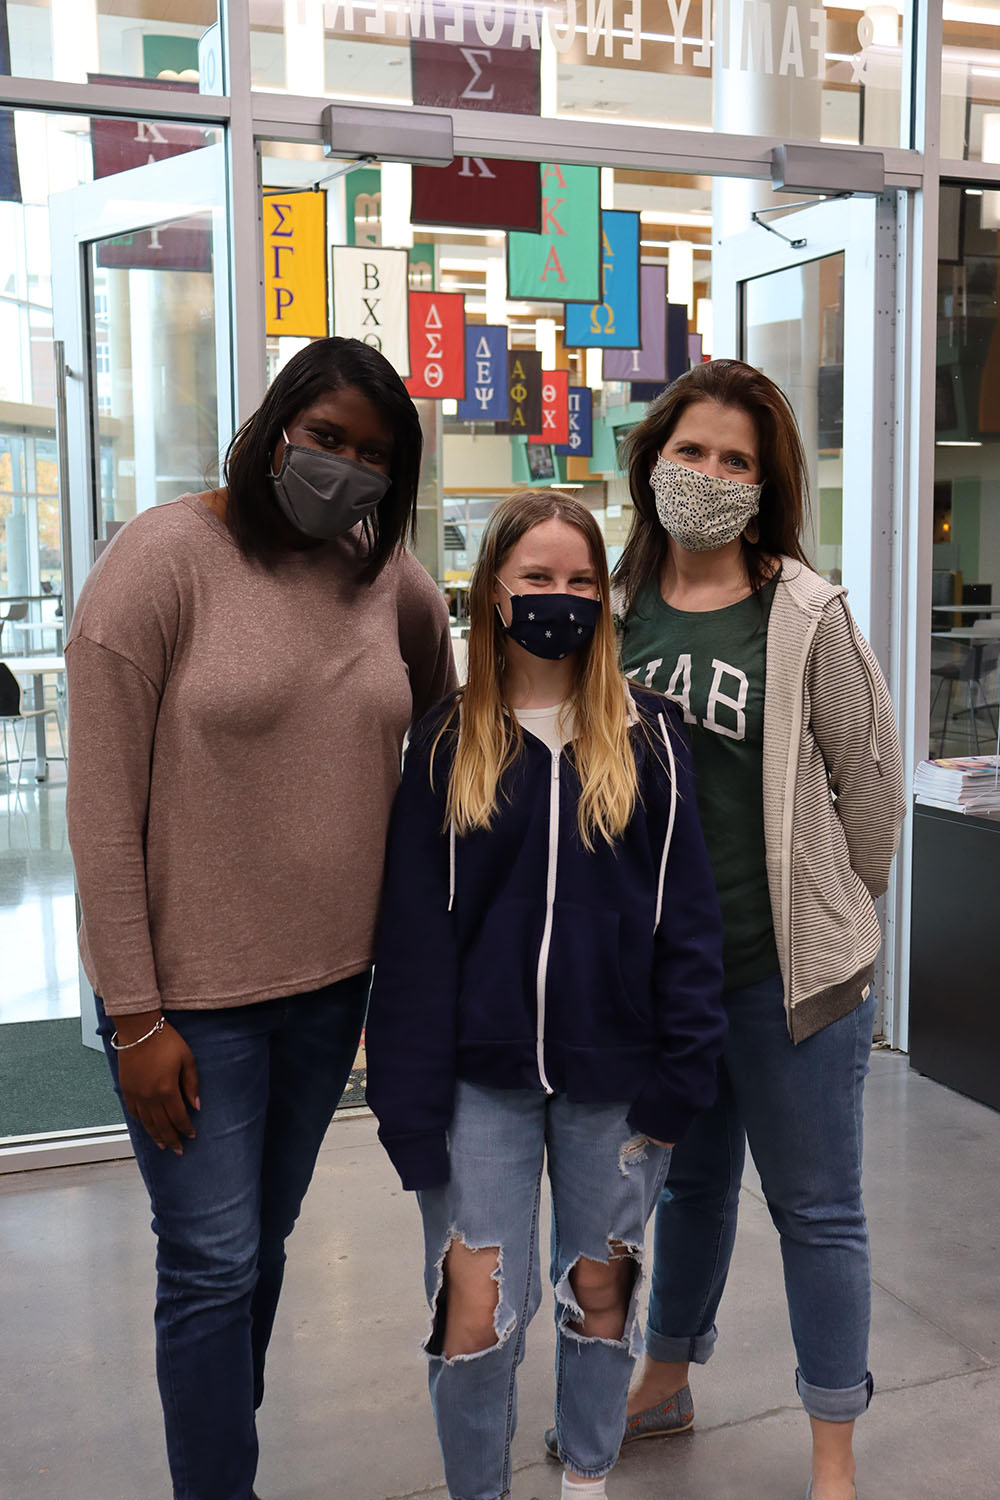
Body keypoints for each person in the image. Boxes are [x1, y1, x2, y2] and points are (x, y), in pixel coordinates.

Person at [65, 337, 456, 1500]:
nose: (342, 469)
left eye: (372, 457)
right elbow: (99, 819)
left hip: (333, 990)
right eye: (325, 437)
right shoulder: (161, 562)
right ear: (276, 423)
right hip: (190, 1007)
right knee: (208, 1263)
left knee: (256, 1253)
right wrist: (135, 1019)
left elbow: (444, 730)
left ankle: (215, 1458)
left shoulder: (383, 576)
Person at [365, 489, 728, 1500]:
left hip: (619, 1079)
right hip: (475, 1084)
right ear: (491, 594)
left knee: (599, 1289)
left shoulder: (649, 737)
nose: (560, 598)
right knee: (472, 1310)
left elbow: (686, 921)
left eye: (580, 581)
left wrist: (679, 1080)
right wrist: (405, 1106)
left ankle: (587, 1482)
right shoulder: (444, 746)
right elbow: (414, 938)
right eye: (537, 579)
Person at [593, 358, 906, 1500]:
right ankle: (665, 1381)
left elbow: (869, 792)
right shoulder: (612, 609)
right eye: (692, 452)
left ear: (766, 485)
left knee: (817, 1212)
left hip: (787, 985)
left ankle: (833, 1451)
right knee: (687, 1192)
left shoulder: (803, 613)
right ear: (652, 460)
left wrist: (830, 916)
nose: (710, 477)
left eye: (736, 461)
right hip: (658, 989)